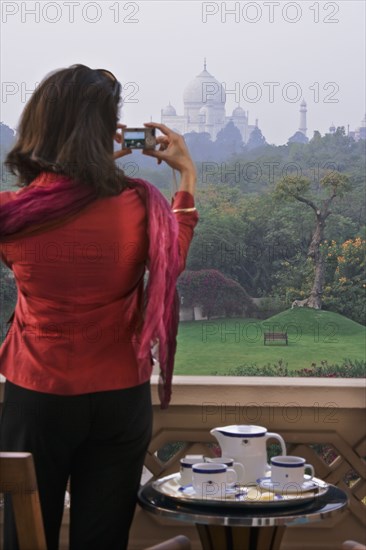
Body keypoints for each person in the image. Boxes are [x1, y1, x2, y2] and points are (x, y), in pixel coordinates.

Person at [0, 64, 198, 550]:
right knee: (103, 538)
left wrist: (79, 163)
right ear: (108, 130)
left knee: (26, 536)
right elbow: (172, 258)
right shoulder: (141, 205)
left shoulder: (13, 213)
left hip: (37, 393)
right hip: (118, 397)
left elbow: (58, 196)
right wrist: (186, 173)